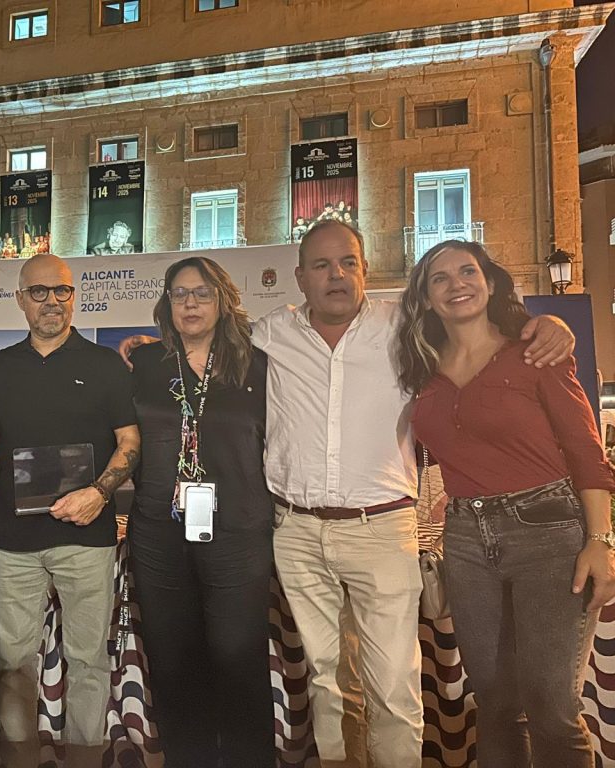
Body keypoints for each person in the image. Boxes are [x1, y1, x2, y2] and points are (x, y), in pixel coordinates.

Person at [119, 220, 574, 767]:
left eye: (347, 263)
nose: (335, 275)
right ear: (300, 278)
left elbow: (473, 326)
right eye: (321, 265)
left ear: (364, 269)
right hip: (297, 530)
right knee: (327, 683)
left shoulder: (404, 327)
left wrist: (543, 323)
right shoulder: (269, 336)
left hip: (380, 528)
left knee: (393, 686)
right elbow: (195, 351)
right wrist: (144, 348)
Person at [395, 240, 615, 768]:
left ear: (490, 282)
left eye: (467, 271)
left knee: (552, 706)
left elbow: (585, 451)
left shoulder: (534, 353)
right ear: (425, 298)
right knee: (494, 705)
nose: (456, 284)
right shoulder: (420, 372)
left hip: (548, 531)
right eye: (440, 278)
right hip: (465, 539)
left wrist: (600, 540)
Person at [0, 253, 140, 768]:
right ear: (20, 299)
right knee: (14, 663)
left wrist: (100, 492)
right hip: (13, 542)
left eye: (62, 291)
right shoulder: (0, 367)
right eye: (39, 291)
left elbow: (130, 442)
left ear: (74, 296)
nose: (52, 301)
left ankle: (84, 758)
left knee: (89, 661)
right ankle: (20, 759)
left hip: (88, 538)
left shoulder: (105, 365)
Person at [128, 257, 274, 767]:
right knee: (172, 661)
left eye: (202, 293)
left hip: (238, 530)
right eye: (180, 293)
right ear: (167, 303)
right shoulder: (144, 364)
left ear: (223, 301)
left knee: (239, 659)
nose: (190, 303)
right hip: (158, 534)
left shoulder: (257, 364)